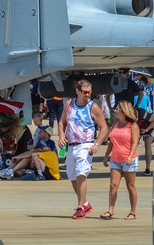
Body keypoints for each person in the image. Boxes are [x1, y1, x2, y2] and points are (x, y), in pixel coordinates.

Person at [59, 78, 109, 219]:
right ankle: (85, 203)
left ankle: (80, 207)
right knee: (72, 176)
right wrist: (62, 136)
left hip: (85, 144)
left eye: (89, 92)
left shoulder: (93, 107)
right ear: (77, 91)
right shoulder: (69, 104)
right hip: (71, 145)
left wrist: (97, 144)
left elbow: (104, 127)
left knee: (81, 174)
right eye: (84, 92)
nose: (87, 95)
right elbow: (62, 122)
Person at [101, 100, 140, 221]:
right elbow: (112, 142)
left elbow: (135, 142)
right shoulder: (116, 124)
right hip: (116, 159)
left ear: (124, 111)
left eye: (117, 109)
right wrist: (106, 155)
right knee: (113, 185)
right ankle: (110, 210)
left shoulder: (133, 126)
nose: (115, 111)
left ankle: (133, 212)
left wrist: (130, 155)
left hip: (129, 159)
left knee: (130, 186)